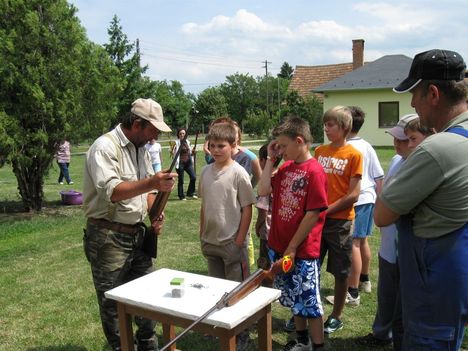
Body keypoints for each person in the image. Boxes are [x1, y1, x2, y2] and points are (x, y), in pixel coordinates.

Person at [375, 49, 468, 350]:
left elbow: (382, 215)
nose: (412, 103)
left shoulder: (435, 149)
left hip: (432, 283)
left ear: (433, 93)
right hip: (455, 277)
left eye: (414, 93)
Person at [82, 98, 176, 351]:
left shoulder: (140, 148)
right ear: (137, 124)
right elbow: (112, 191)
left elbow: (144, 192)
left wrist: (154, 208)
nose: (155, 135)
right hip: (108, 237)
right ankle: (120, 347)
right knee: (111, 301)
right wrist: (152, 183)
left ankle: (148, 345)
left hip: (136, 235)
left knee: (147, 296)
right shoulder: (104, 147)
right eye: (153, 129)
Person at [258, 116, 328, 351]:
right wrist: (270, 158)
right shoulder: (286, 167)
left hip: (302, 251)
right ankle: (302, 340)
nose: (281, 150)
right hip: (280, 246)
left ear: (299, 141)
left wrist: (292, 247)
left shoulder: (315, 171)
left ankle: (318, 346)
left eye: (284, 145)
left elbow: (313, 214)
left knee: (309, 301)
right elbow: (264, 189)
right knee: (293, 299)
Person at [359, 113, 419, 349]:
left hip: (406, 246)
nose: (398, 144)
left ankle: (399, 338)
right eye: (397, 139)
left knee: (403, 302)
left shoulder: (419, 165)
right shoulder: (396, 160)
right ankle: (381, 333)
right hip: (389, 242)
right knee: (387, 293)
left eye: (404, 140)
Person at [198, 122, 256, 351]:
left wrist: (239, 240)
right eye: (212, 145)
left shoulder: (239, 173)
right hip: (211, 242)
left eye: (221, 145)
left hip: (232, 243)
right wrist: (202, 233)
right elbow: (204, 205)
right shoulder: (205, 171)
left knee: (237, 292)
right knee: (217, 289)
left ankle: (242, 335)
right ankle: (222, 329)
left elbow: (248, 209)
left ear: (234, 146)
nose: (215, 150)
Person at [314, 106, 363, 334]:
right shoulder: (320, 151)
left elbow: (353, 194)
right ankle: (310, 311)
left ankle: (337, 315)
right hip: (317, 220)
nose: (326, 128)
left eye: (330, 125)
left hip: (340, 222)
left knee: (340, 270)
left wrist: (327, 210)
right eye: (325, 124)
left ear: (344, 128)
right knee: (310, 266)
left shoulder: (354, 155)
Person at [345, 106, 384, 306]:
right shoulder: (367, 145)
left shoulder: (347, 148)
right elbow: (379, 177)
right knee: (363, 241)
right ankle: (365, 281)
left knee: (354, 244)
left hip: (356, 201)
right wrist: (379, 201)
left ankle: (352, 291)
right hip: (368, 199)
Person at [254, 144, 274, 274]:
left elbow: (263, 210)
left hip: (266, 232)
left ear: (262, 160)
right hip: (278, 231)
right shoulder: (281, 176)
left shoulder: (266, 182)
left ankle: (267, 287)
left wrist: (257, 226)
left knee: (265, 265)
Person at [173, 127, 197, 200]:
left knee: (193, 177)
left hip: (188, 163)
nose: (182, 135)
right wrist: (172, 150)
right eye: (180, 134)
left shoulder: (188, 142)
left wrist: (193, 153)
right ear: (178, 135)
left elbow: (189, 152)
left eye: (183, 133)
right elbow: (173, 152)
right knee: (181, 180)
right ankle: (181, 196)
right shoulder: (176, 143)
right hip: (180, 163)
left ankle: (190, 193)